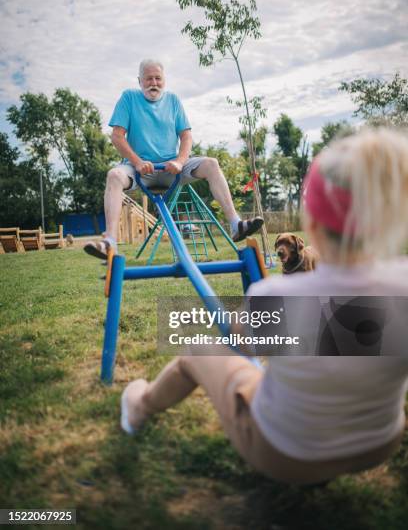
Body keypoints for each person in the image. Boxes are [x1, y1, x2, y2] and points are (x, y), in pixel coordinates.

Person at [120, 127, 408, 484]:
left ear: (312, 228)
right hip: (380, 443)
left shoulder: (273, 297)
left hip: (286, 454)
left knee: (198, 348)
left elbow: (241, 343)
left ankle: (140, 405)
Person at [84, 59, 263, 259]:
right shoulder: (129, 98)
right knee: (114, 175)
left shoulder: (173, 101)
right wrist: (137, 162)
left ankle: (235, 224)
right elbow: (117, 136)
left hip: (172, 168)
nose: (154, 83)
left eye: (158, 78)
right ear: (139, 80)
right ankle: (110, 241)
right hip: (140, 170)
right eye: (148, 78)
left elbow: (186, 136)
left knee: (211, 164)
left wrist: (179, 161)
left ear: (164, 80)